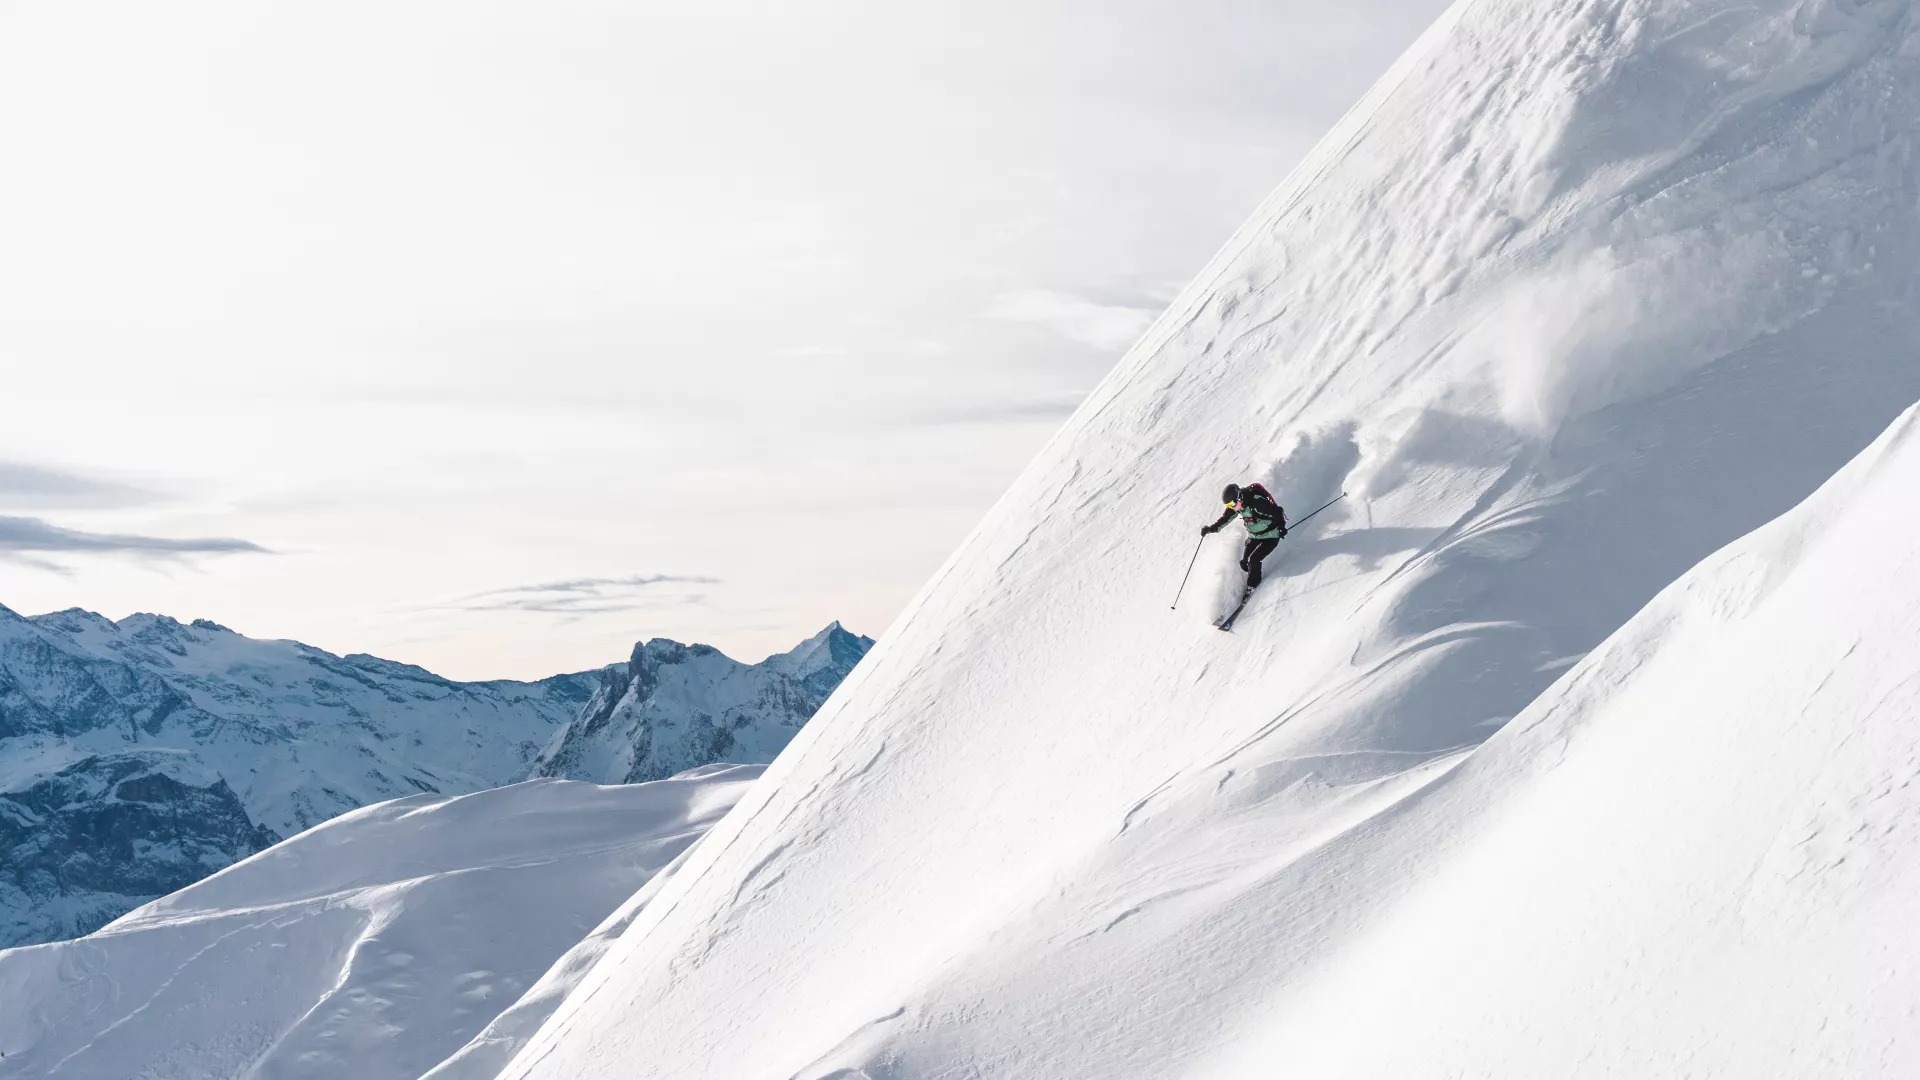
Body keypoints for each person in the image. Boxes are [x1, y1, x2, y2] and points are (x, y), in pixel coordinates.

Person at [1202, 482, 1287, 591]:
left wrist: (1281, 527)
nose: (1231, 507)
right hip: (1254, 536)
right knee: (1244, 563)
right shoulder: (1237, 506)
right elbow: (1225, 519)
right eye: (1228, 505)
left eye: (1232, 504)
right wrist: (1210, 529)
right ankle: (1253, 574)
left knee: (1254, 560)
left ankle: (1252, 585)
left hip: (1270, 536)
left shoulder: (1256, 503)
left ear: (1239, 498)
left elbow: (1278, 511)